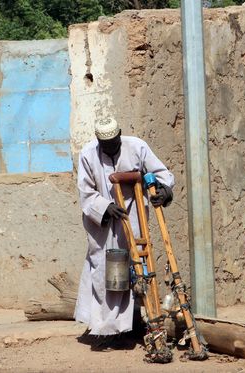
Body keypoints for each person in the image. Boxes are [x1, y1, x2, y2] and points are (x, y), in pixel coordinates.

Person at [74, 118, 174, 341]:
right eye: (105, 144)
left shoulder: (137, 146)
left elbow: (161, 173)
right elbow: (86, 192)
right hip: (105, 223)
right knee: (103, 271)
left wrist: (164, 190)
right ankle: (105, 329)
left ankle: (140, 322)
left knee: (137, 268)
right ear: (99, 141)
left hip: (134, 216)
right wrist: (105, 207)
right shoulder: (88, 154)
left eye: (114, 142)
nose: (110, 148)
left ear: (120, 135)